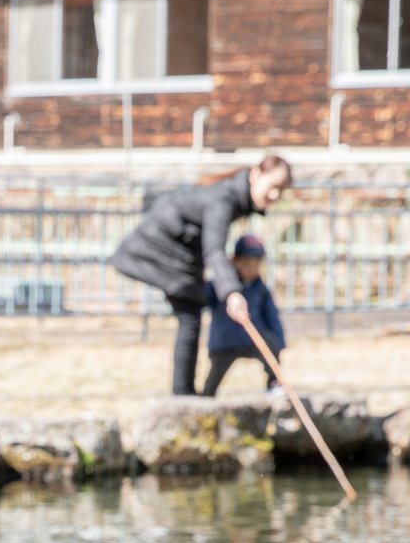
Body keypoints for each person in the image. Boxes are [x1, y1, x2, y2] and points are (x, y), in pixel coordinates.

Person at [111, 153, 292, 396]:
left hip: (178, 251)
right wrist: (232, 293)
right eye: (273, 187)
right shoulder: (225, 198)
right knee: (190, 313)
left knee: (191, 312)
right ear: (256, 175)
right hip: (159, 248)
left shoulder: (233, 195)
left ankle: (184, 394)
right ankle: (183, 396)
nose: (275, 196)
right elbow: (215, 249)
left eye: (281, 190)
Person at [201, 234, 286, 396]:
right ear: (235, 261)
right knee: (214, 377)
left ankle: (274, 382)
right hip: (225, 341)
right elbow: (204, 298)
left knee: (271, 349)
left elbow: (272, 316)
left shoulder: (260, 288)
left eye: (256, 264)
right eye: (247, 263)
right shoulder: (222, 285)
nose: (252, 268)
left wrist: (279, 342)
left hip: (253, 339)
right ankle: (206, 397)